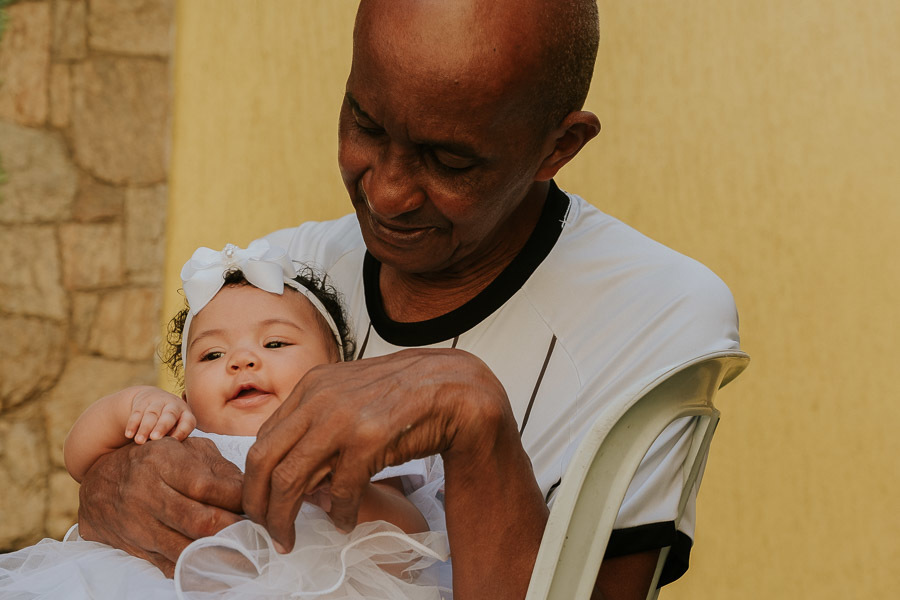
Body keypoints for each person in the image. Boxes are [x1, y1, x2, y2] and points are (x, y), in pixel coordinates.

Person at [76, 1, 744, 599]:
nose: (389, 192)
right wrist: (115, 484)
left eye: (449, 161)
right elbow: (168, 462)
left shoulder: (656, 312)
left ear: (558, 145)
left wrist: (470, 413)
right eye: (365, 125)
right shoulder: (281, 276)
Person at [0, 240, 449, 599]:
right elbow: (79, 459)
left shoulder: (354, 435)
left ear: (338, 376)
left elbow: (410, 543)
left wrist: (344, 490)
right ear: (186, 395)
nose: (241, 360)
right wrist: (133, 404)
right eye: (213, 354)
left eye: (275, 344)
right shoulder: (184, 434)